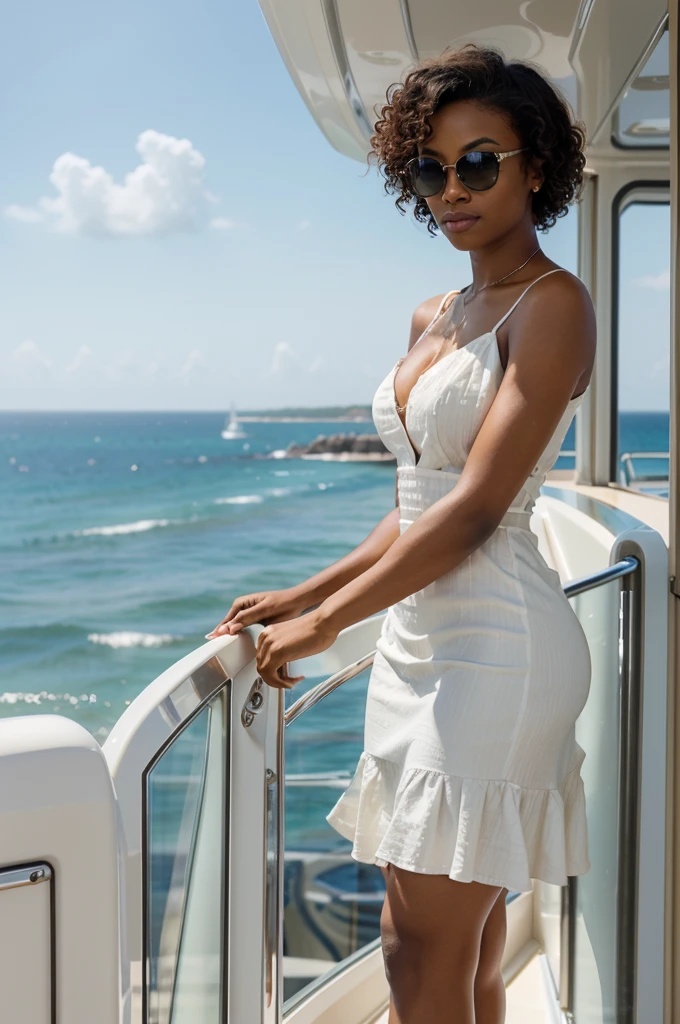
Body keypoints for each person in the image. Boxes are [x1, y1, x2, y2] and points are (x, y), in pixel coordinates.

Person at [207, 42, 595, 1024]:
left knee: (415, 949)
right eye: (430, 168)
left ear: (533, 168)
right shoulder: (436, 309)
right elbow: (415, 500)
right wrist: (304, 593)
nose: (451, 189)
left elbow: (472, 509)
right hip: (421, 644)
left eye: (478, 162)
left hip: (498, 651)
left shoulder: (553, 308)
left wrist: (328, 624)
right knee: (459, 951)